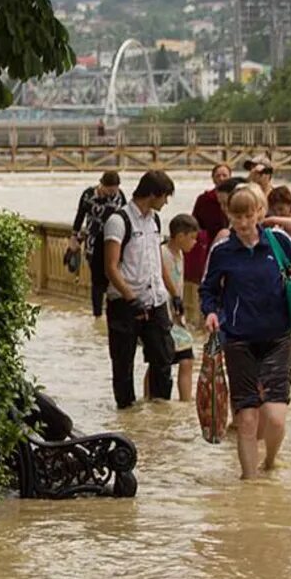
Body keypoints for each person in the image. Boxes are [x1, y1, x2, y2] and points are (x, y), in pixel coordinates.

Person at [201, 184, 291, 480]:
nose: (243, 223)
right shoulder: (222, 250)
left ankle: (270, 460)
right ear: (229, 215)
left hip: (277, 339)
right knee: (246, 418)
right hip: (238, 339)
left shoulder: (279, 241)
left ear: (259, 212)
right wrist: (211, 312)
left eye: (248, 215)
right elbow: (209, 289)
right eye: (237, 216)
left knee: (275, 418)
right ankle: (250, 483)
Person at [104, 170, 177, 409]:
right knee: (123, 363)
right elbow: (111, 267)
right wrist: (130, 298)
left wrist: (174, 294)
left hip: (155, 300)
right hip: (125, 304)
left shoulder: (154, 220)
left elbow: (157, 260)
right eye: (165, 197)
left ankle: (159, 414)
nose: (166, 202)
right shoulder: (119, 221)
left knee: (163, 360)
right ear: (153, 194)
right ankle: (126, 414)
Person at [155, 213, 200, 401]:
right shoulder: (162, 253)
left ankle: (184, 401)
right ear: (180, 236)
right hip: (162, 314)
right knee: (160, 363)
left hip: (175, 316)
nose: (195, 243)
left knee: (185, 359)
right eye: (192, 238)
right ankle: (156, 400)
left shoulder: (179, 254)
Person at [70, 171, 127, 317]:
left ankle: (112, 311)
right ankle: (97, 315)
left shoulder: (120, 196)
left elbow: (126, 218)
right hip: (93, 243)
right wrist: (74, 238)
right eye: (109, 189)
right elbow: (80, 216)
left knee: (113, 277)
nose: (112, 193)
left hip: (114, 242)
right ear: (101, 184)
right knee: (97, 281)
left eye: (114, 189)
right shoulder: (88, 195)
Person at [184, 164, 232, 326]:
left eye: (225, 175)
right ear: (212, 178)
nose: (221, 178)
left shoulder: (240, 201)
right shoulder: (204, 200)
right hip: (208, 248)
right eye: (218, 175)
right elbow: (195, 224)